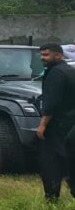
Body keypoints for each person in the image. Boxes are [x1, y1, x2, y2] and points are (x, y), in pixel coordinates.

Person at [36, 43, 75, 202]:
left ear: (58, 55)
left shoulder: (56, 73)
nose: (42, 58)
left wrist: (43, 124)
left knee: (50, 162)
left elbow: (52, 103)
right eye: (41, 55)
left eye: (46, 55)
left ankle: (51, 197)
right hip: (70, 123)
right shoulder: (70, 70)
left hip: (56, 125)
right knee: (68, 158)